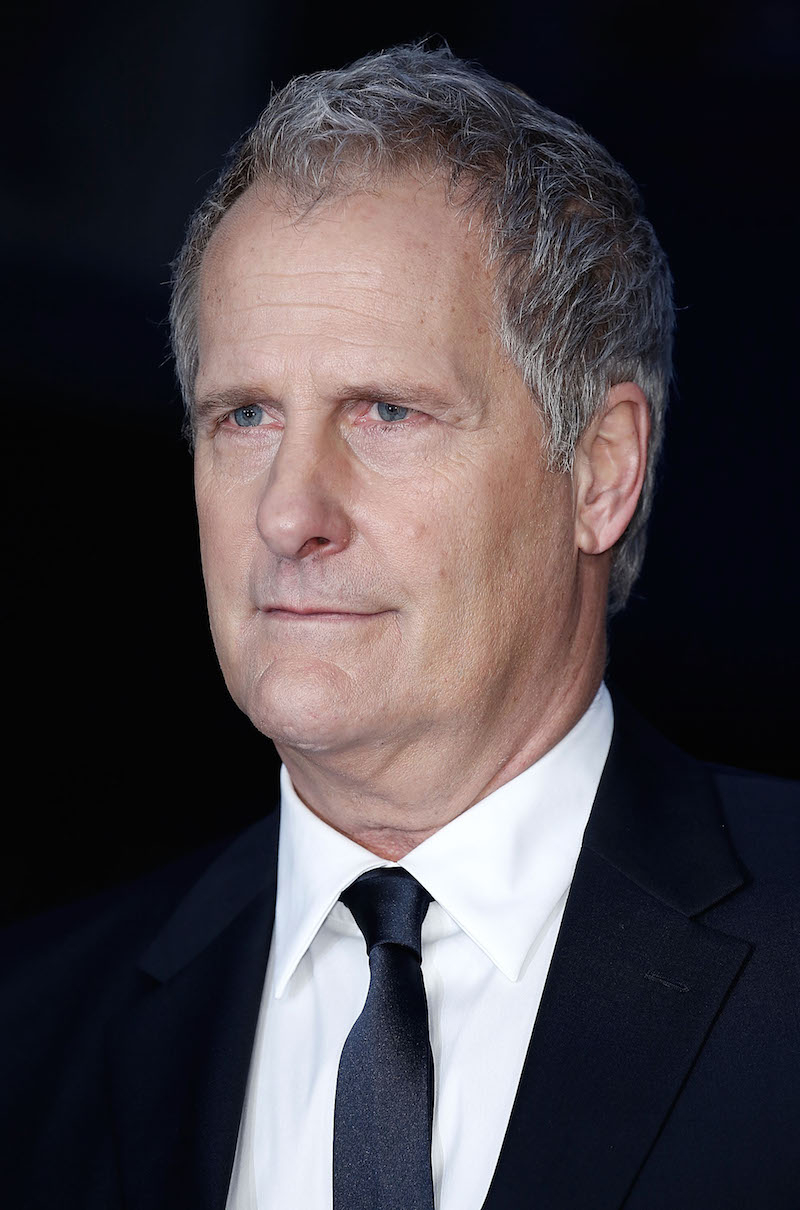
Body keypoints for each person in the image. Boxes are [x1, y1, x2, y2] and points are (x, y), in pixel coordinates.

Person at [2, 43, 798, 1210]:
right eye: (244, 415)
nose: (288, 512)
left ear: (599, 469)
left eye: (385, 411)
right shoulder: (31, 1039)